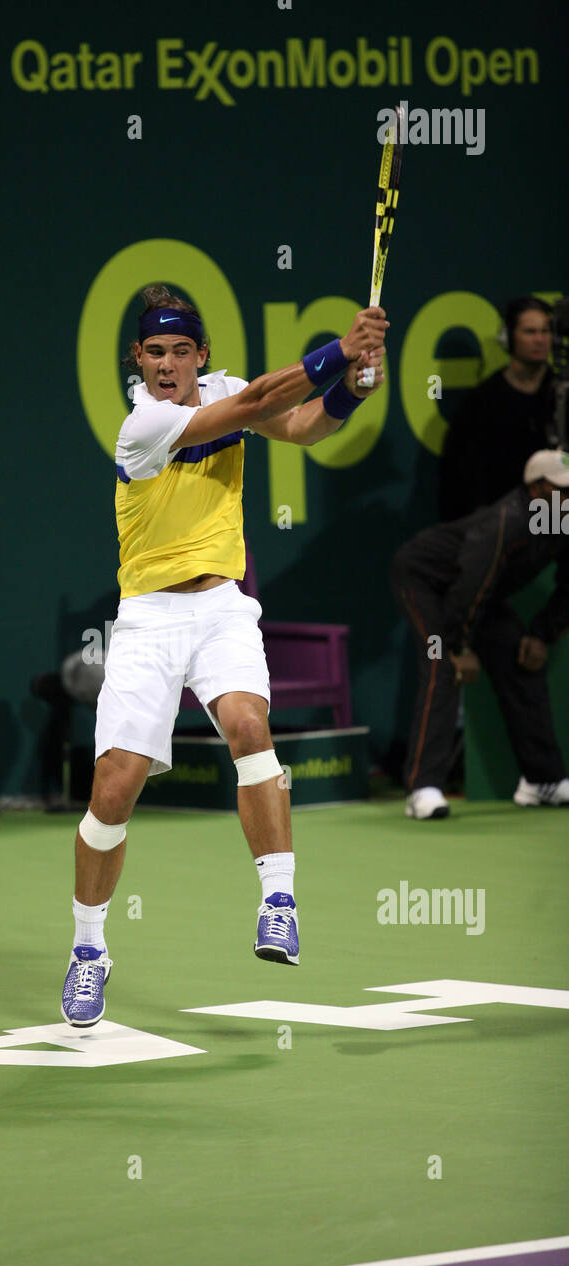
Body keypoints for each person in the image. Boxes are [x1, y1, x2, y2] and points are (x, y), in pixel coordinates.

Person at [61, 284, 388, 1026]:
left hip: (222, 609)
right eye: (155, 352)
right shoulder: (143, 423)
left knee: (248, 727)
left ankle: (278, 900)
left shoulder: (225, 389)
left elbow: (301, 425)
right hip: (147, 618)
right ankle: (89, 950)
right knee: (114, 789)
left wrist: (353, 391)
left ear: (200, 355)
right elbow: (251, 408)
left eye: (181, 351)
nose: (168, 364)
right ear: (136, 360)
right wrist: (341, 349)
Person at [391, 449, 569, 820]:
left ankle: (543, 780)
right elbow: (471, 583)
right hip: (426, 581)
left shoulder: (561, 520)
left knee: (522, 659)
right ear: (536, 489)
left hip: (475, 596)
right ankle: (423, 788)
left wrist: (542, 634)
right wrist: (460, 646)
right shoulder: (510, 520)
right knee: (441, 667)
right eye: (562, 490)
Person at [439, 297, 554, 521]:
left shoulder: (561, 394)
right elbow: (462, 475)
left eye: (546, 331)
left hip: (557, 523)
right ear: (508, 337)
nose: (540, 340)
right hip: (503, 525)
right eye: (530, 332)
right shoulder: (482, 403)